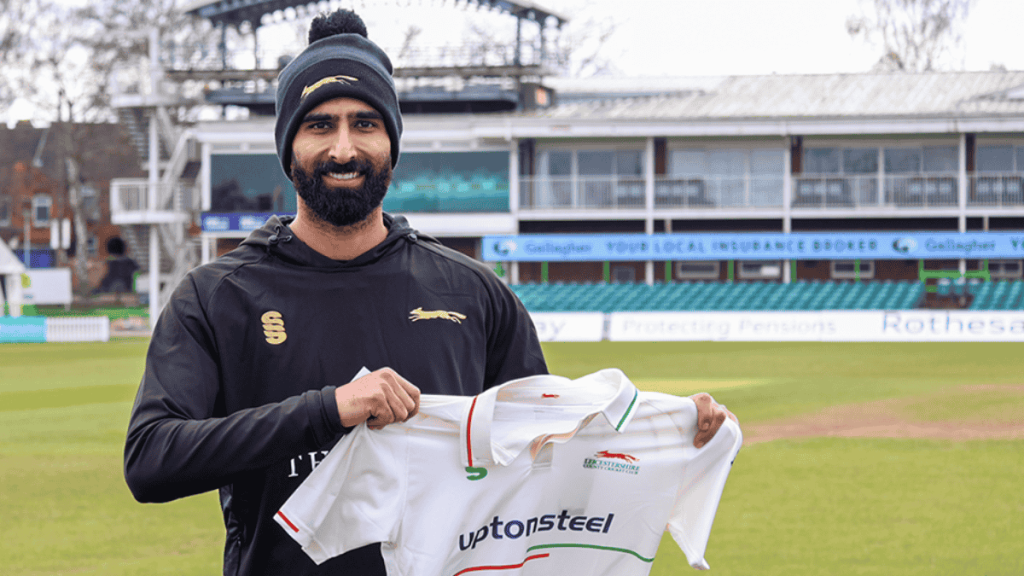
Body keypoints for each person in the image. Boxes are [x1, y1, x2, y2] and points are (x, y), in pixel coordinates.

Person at [123, 8, 734, 576]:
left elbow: (543, 456)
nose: (343, 148)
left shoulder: (474, 294)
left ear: (391, 143)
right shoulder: (218, 295)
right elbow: (151, 460)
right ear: (288, 147)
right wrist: (327, 411)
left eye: (365, 123)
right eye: (319, 125)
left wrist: (670, 428)